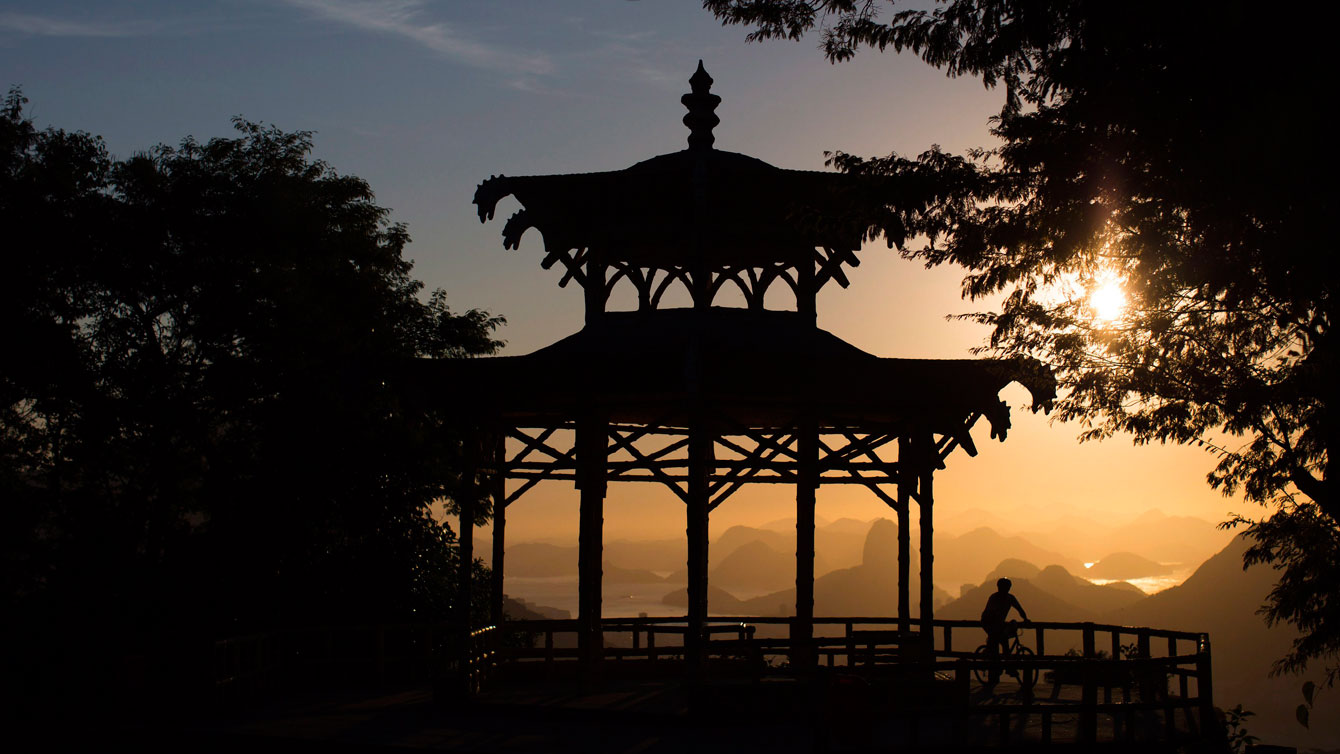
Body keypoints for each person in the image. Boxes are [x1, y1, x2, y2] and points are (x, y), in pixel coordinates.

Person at [981, 577, 1029, 687]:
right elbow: (991, 613)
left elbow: (1020, 609)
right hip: (988, 623)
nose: (1006, 590)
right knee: (997, 645)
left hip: (999, 623)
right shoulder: (994, 598)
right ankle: (996, 674)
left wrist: (1025, 619)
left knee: (1003, 640)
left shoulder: (1010, 598)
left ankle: (1005, 668)